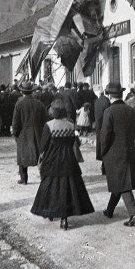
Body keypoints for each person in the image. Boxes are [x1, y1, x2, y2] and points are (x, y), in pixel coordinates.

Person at [30, 99, 95, 230]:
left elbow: (43, 146)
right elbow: (76, 143)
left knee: (51, 187)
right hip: (68, 160)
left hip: (52, 160)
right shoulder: (70, 125)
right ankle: (64, 219)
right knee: (68, 188)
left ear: (52, 112)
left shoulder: (49, 125)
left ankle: (51, 212)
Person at [98, 81, 135, 226]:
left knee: (122, 183)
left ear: (109, 95)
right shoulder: (131, 110)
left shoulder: (109, 112)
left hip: (114, 153)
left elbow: (105, 136)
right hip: (130, 150)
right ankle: (109, 210)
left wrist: (103, 152)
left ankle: (134, 214)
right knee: (120, 180)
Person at [12, 82, 47, 185]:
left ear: (22, 92)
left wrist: (15, 133)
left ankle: (24, 179)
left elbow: (16, 121)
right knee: (40, 155)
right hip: (38, 132)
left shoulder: (19, 104)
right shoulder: (39, 104)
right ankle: (43, 176)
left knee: (22, 155)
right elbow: (45, 120)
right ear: (32, 91)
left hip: (24, 133)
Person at [92, 85, 111, 175]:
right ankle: (105, 166)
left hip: (98, 126)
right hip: (104, 125)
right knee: (107, 144)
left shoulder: (97, 101)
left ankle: (103, 165)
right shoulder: (107, 102)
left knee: (101, 145)